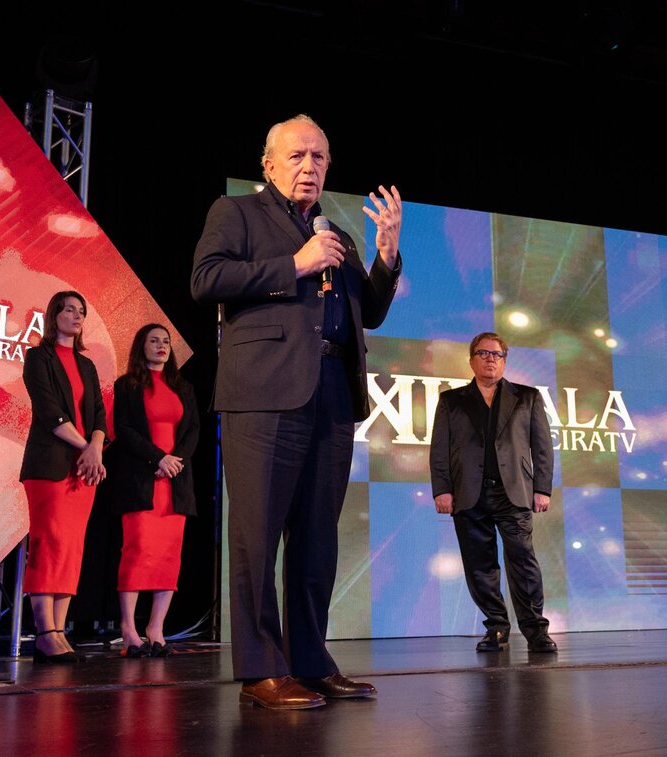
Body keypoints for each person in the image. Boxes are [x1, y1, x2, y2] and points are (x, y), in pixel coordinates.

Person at [191, 114, 402, 709]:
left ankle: (310, 661)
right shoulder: (234, 213)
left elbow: (372, 310)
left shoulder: (337, 231)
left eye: (319, 157)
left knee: (317, 540)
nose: (309, 166)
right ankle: (261, 670)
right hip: (261, 394)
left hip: (332, 391)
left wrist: (385, 257)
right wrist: (296, 266)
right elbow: (207, 280)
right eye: (297, 156)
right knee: (257, 537)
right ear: (269, 164)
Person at [429, 332, 558, 653]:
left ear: (504, 360)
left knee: (523, 561)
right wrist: (442, 490)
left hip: (513, 493)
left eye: (497, 354)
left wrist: (542, 488)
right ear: (472, 360)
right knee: (480, 565)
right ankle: (497, 628)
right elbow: (440, 450)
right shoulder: (451, 401)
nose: (490, 359)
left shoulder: (527, 397)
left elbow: (542, 448)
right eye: (483, 353)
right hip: (467, 494)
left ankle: (536, 631)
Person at [19, 290, 107, 664]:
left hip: (83, 467)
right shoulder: (38, 357)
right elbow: (49, 411)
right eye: (69, 309)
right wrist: (87, 447)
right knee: (49, 542)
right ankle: (44, 632)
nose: (76, 316)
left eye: (81, 312)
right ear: (54, 314)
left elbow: (100, 414)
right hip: (50, 463)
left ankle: (60, 629)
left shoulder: (87, 365)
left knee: (71, 546)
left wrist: (95, 447)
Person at [108, 323, 199, 658]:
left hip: (175, 482)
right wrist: (158, 458)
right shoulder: (127, 385)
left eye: (166, 342)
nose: (161, 346)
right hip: (141, 480)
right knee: (138, 551)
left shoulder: (184, 387)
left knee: (168, 556)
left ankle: (156, 629)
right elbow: (124, 430)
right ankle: (129, 628)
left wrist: (176, 461)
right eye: (154, 341)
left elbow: (193, 430)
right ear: (141, 346)